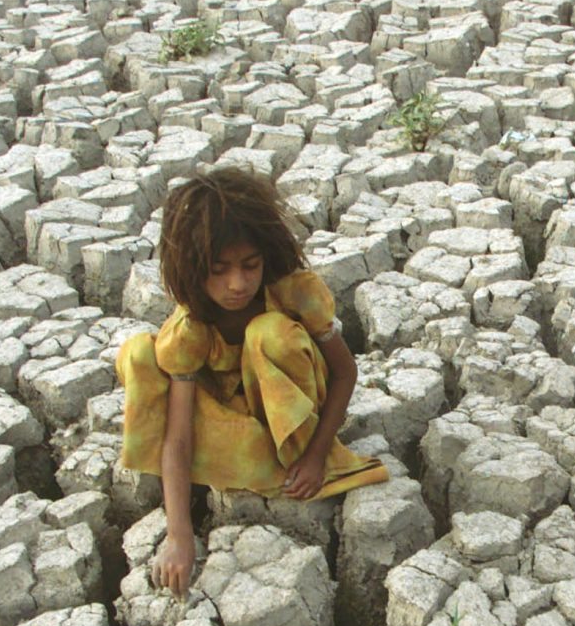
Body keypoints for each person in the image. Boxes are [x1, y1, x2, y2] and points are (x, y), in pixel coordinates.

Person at [116, 167, 388, 599]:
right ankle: (244, 464)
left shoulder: (292, 294)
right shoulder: (192, 327)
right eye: (219, 270)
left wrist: (317, 456)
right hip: (235, 419)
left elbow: (344, 371)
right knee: (139, 353)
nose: (237, 284)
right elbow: (179, 435)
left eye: (250, 266)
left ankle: (287, 456)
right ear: (192, 268)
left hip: (293, 415)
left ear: (266, 256)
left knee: (269, 333)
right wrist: (179, 534)